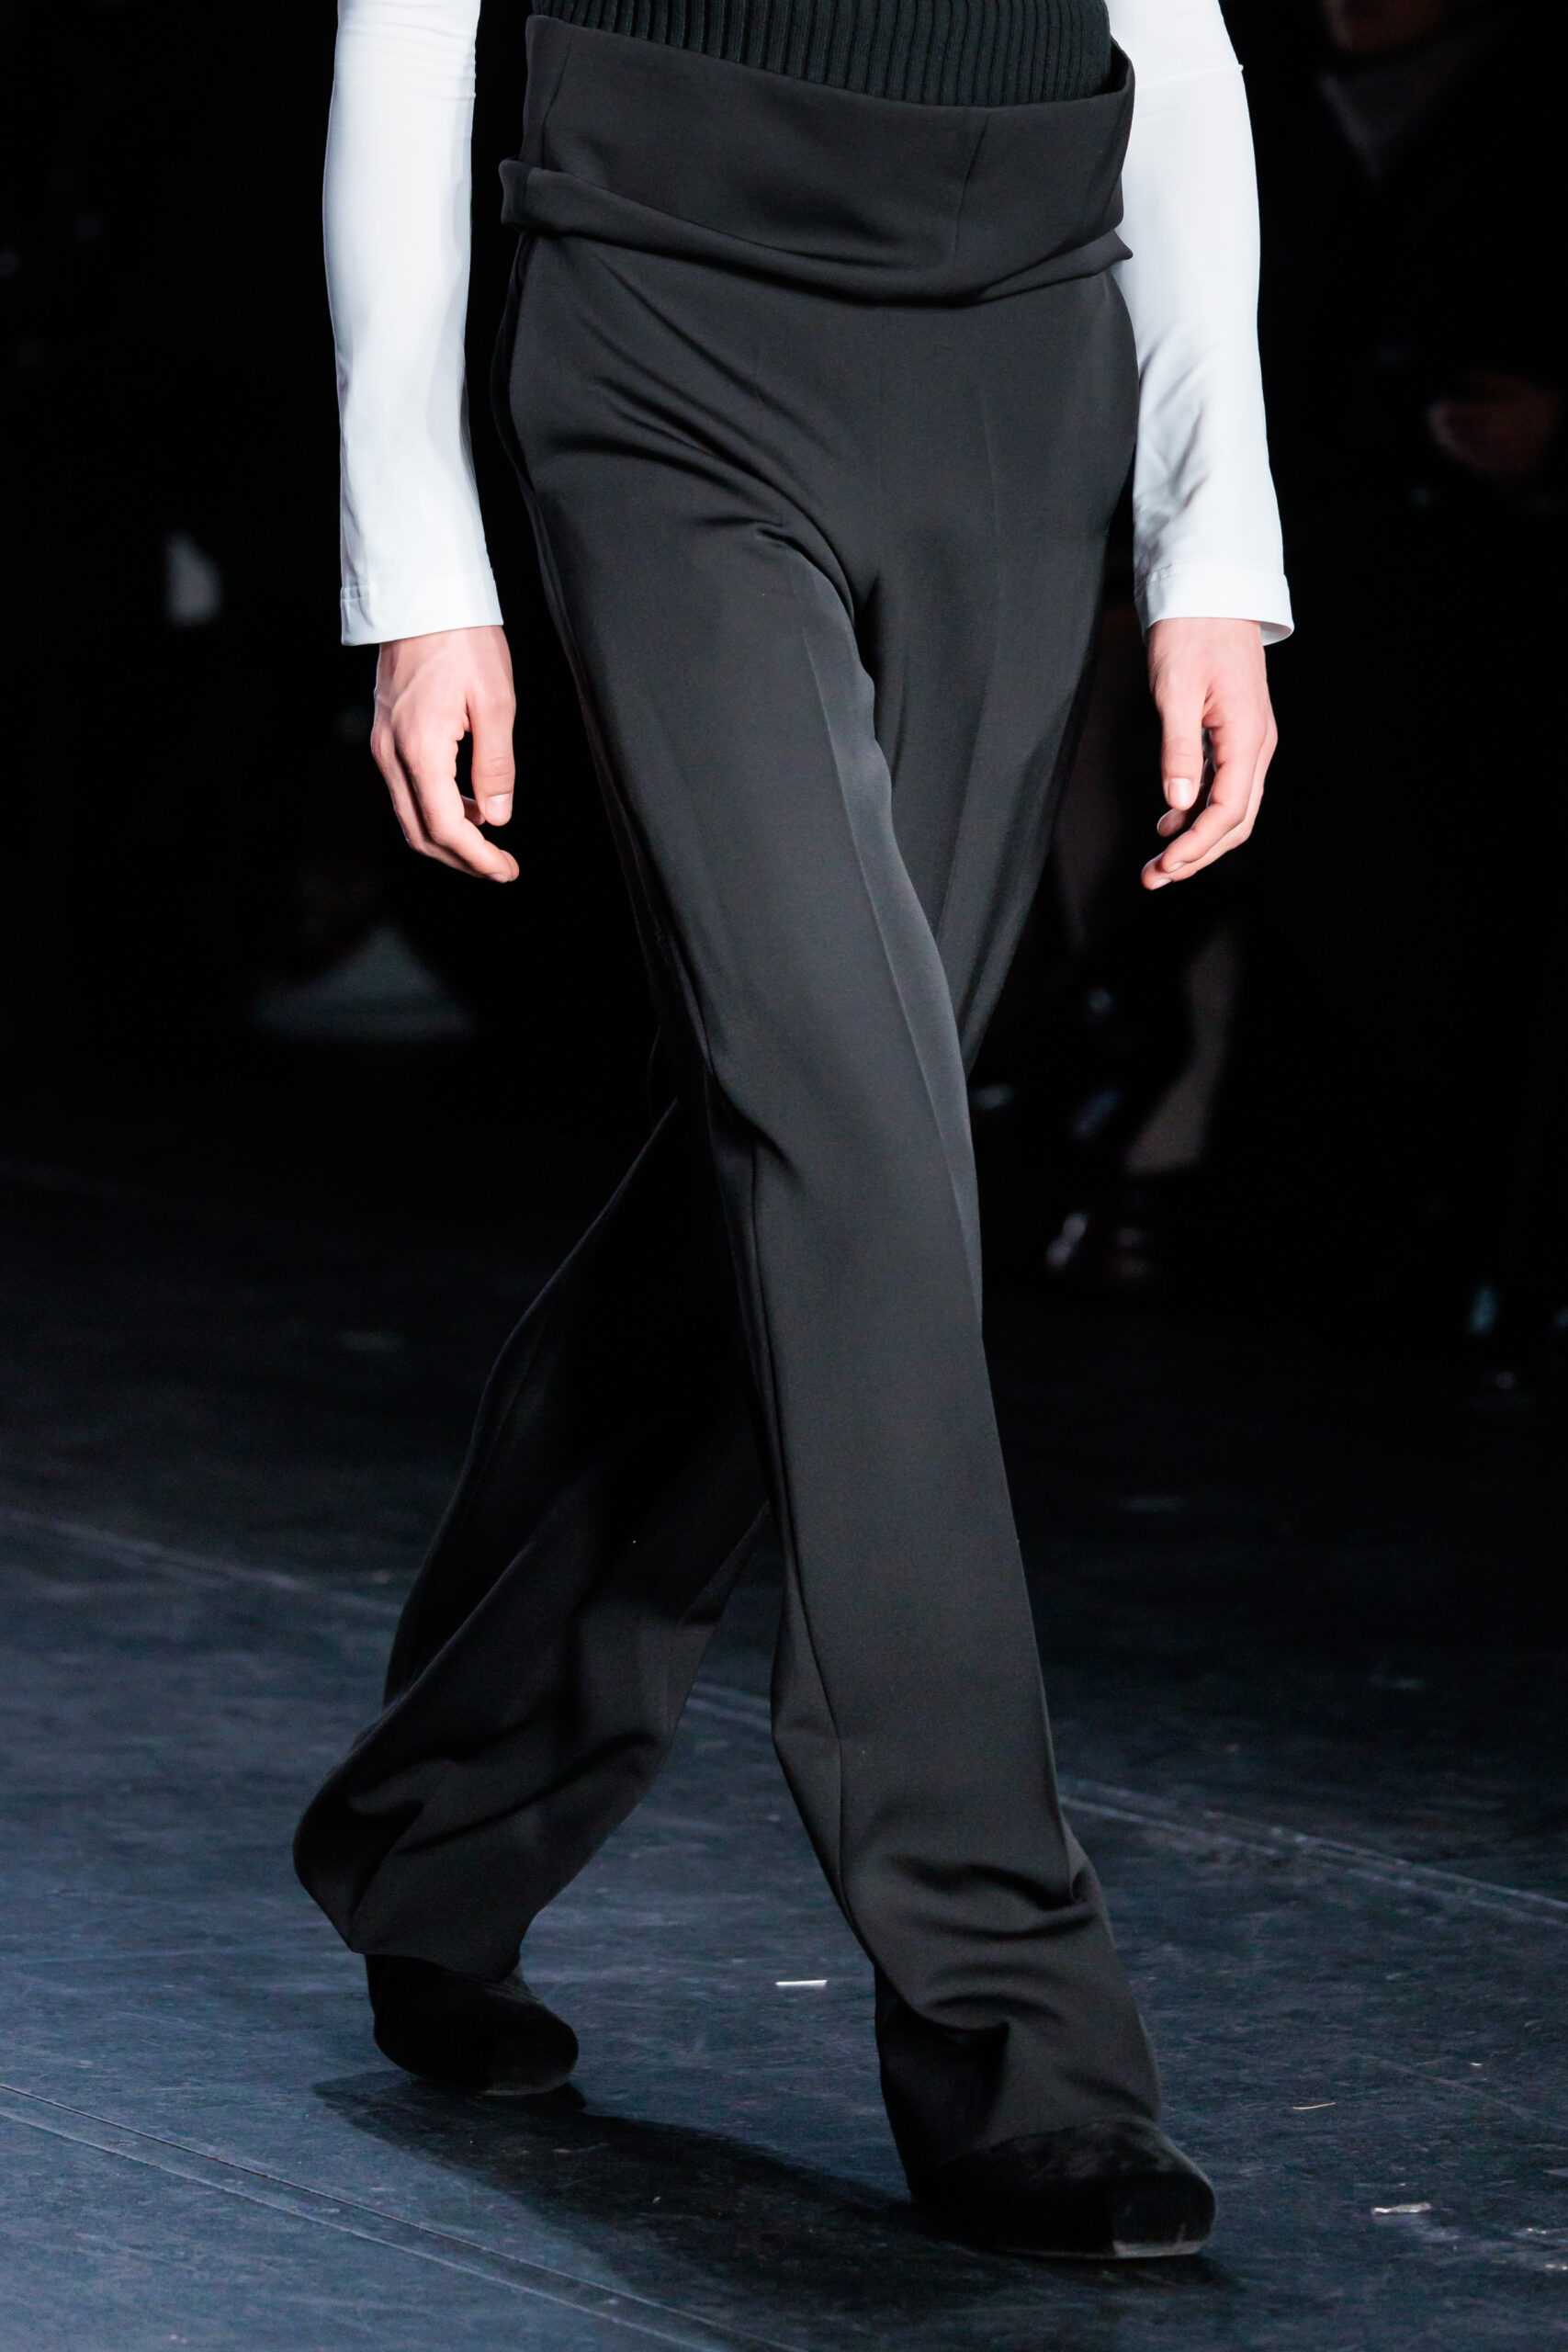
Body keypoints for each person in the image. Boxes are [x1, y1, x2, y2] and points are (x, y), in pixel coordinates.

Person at [293, 0, 1290, 2259]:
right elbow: (408, 30)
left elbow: (1176, 35)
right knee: (850, 1153)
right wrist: (417, 562)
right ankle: (1012, 2013)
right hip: (659, 318)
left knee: (826, 1159)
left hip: (1025, 342)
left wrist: (1209, 537)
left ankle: (440, 1818)